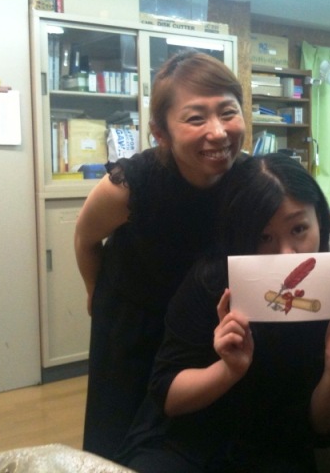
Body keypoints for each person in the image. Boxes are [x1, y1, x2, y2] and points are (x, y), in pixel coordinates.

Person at [116, 153, 330, 472]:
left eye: (299, 229)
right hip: (188, 444)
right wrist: (228, 370)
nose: (286, 253)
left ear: (321, 220)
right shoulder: (211, 282)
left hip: (274, 450)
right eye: (264, 237)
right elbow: (168, 398)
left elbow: (323, 428)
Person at [73, 50, 246, 460]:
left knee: (194, 436)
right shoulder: (130, 185)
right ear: (160, 132)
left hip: (201, 325)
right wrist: (96, 292)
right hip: (134, 322)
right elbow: (84, 239)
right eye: (196, 118)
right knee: (118, 434)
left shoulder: (247, 181)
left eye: (228, 112)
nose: (218, 132)